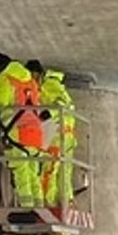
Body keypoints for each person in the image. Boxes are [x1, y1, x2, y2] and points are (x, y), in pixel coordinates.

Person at [0, 53, 47, 209]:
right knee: (33, 175)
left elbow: (0, 102)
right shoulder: (30, 81)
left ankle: (28, 209)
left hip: (18, 134)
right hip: (34, 134)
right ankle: (40, 208)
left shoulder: (5, 78)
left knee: (22, 174)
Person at [35, 66, 78, 214]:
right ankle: (67, 203)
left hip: (56, 138)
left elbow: (59, 105)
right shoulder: (57, 86)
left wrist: (46, 114)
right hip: (66, 137)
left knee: (49, 173)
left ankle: (50, 204)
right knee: (64, 175)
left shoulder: (49, 85)